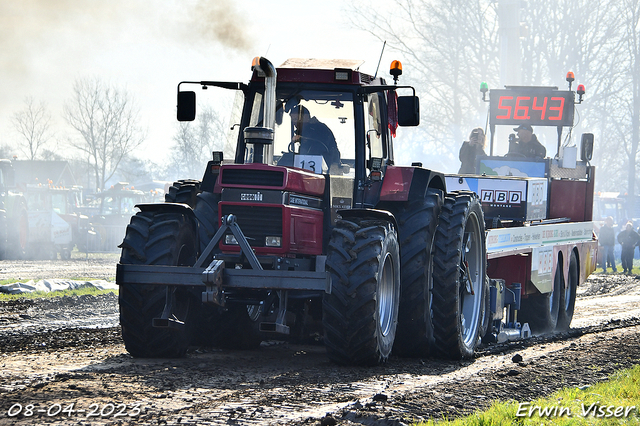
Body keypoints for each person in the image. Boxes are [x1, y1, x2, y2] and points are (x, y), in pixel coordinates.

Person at [289, 105, 341, 169]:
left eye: (295, 119)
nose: (294, 122)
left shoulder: (320, 129)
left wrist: (302, 139)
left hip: (326, 168)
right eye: (292, 120)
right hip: (310, 167)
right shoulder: (305, 131)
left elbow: (319, 147)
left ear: (306, 117)